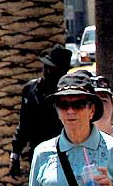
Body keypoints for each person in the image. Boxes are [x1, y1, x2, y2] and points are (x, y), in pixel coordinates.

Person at [10, 44, 73, 176]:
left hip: (66, 153)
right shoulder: (30, 90)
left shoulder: (69, 96)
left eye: (52, 69)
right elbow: (24, 124)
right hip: (37, 153)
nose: (46, 71)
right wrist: (15, 154)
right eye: (46, 66)